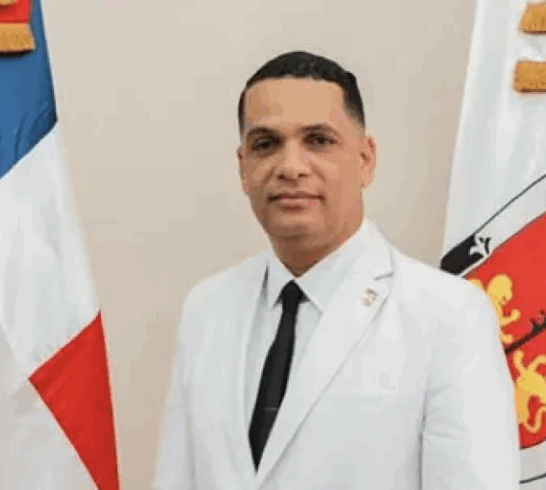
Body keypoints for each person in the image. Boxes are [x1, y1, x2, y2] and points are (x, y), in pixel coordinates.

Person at [153, 50, 519, 489]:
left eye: (318, 140)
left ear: (365, 160)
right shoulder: (206, 309)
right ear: (243, 168)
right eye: (266, 144)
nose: (291, 167)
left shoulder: (449, 316)